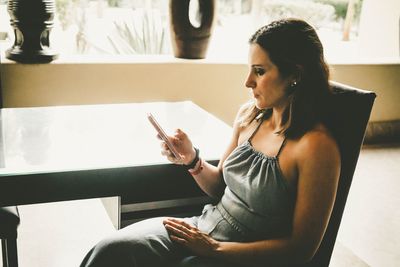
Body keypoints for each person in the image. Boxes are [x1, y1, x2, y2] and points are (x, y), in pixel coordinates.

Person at [80, 18, 341, 267]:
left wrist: (214, 249)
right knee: (111, 251)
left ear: (294, 75)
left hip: (245, 256)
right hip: (203, 227)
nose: (248, 82)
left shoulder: (316, 147)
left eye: (259, 72)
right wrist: (191, 158)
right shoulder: (249, 117)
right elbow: (220, 188)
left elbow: (302, 249)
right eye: (250, 70)